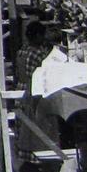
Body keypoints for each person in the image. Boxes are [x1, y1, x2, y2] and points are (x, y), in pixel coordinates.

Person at [15, 20, 54, 162]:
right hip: (34, 92)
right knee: (37, 128)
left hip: (21, 89)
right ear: (37, 36)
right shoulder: (38, 54)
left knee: (25, 129)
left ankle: (26, 157)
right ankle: (40, 158)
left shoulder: (22, 51)